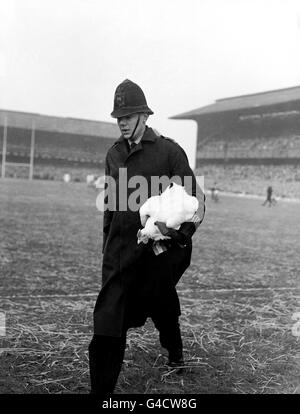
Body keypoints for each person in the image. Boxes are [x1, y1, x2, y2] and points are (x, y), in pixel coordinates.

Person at [88, 79, 206, 394]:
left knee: (163, 305)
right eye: (118, 117)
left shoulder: (169, 152)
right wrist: (106, 247)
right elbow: (110, 208)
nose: (121, 122)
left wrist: (182, 233)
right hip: (119, 254)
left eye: (127, 116)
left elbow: (196, 201)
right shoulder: (113, 154)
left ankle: (175, 353)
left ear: (144, 115)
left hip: (157, 256)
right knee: (108, 321)